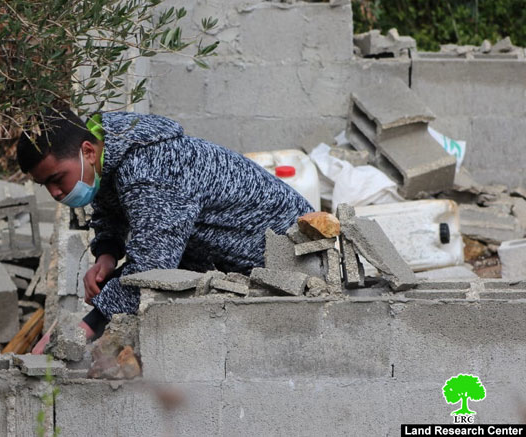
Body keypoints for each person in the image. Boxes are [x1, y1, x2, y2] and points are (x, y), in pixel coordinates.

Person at [16, 108, 313, 349]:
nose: (55, 193)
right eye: (46, 185)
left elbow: (152, 271)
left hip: (286, 260)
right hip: (217, 249)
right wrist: (106, 254)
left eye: (57, 179)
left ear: (87, 152)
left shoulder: (151, 172)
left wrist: (84, 329)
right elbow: (110, 206)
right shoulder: (109, 149)